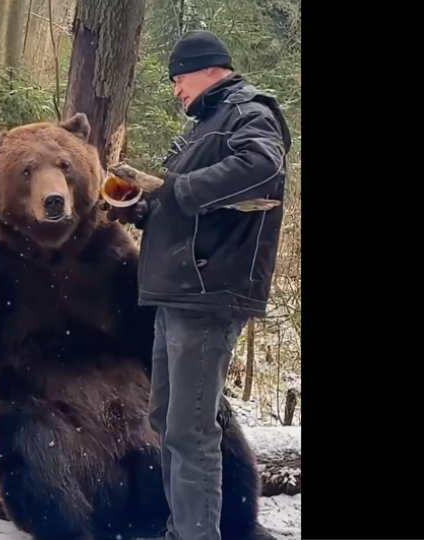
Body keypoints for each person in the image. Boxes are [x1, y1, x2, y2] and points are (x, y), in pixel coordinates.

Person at [105, 30, 292, 540]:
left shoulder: (248, 111)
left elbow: (262, 166)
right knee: (169, 421)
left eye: (178, 77)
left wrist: (175, 188)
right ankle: (181, 529)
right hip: (176, 292)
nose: (175, 89)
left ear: (210, 68)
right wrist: (143, 208)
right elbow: (186, 206)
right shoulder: (206, 124)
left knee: (190, 429)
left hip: (208, 292)